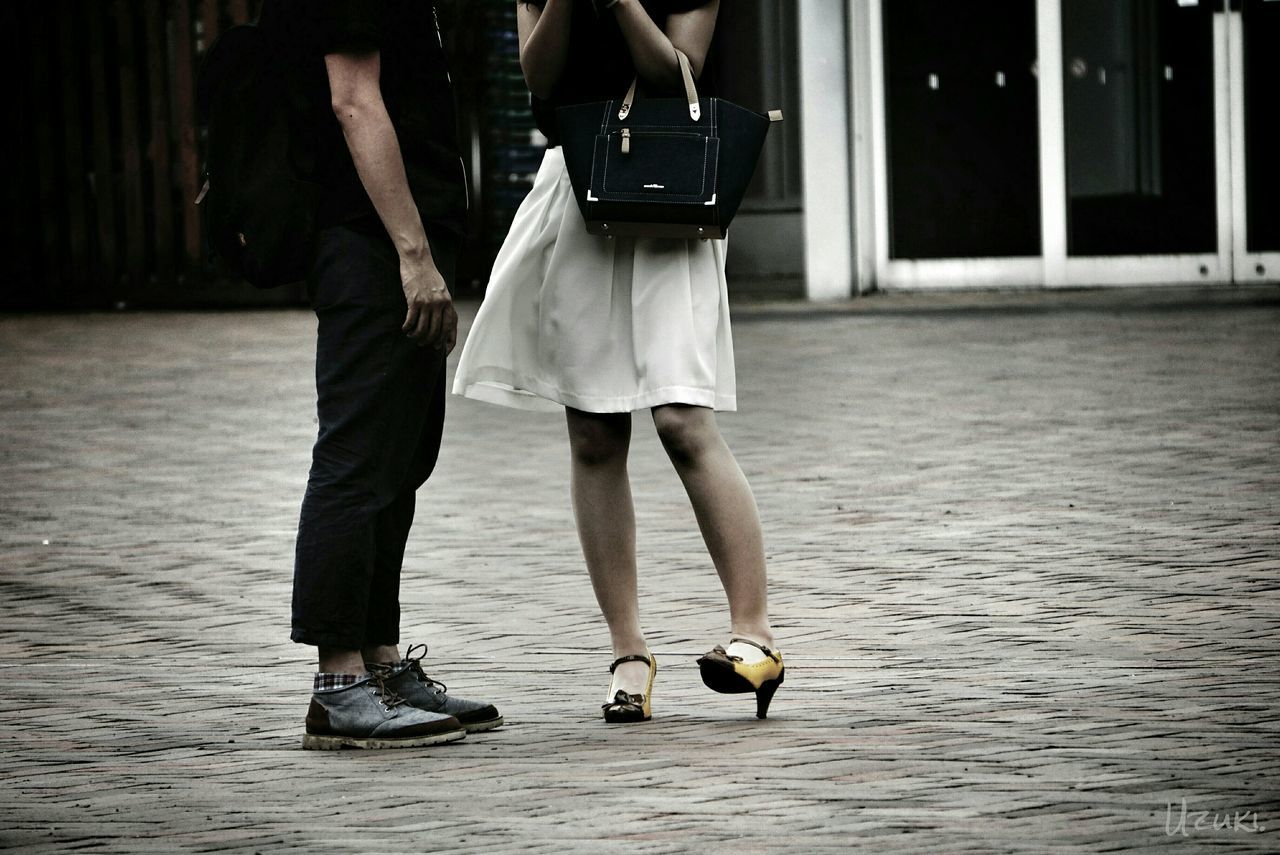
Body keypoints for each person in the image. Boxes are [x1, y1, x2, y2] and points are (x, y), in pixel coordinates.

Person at [453, 0, 784, 723]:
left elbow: (677, 72)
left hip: (670, 184)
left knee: (681, 415)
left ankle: (754, 633)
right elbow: (539, 76)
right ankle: (629, 650)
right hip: (583, 182)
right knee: (594, 431)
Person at [275, 0, 503, 749]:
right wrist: (411, 254)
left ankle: (378, 662)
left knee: (400, 456)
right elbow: (353, 100)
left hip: (402, 238)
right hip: (369, 241)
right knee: (357, 454)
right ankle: (339, 682)